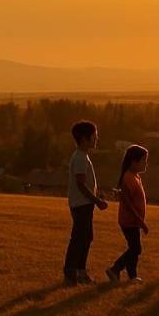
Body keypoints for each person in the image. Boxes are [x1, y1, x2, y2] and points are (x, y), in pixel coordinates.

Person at [63, 120, 108, 286]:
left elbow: (85, 183)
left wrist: (97, 194)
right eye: (94, 136)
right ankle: (71, 272)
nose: (97, 139)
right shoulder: (80, 158)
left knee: (86, 237)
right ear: (84, 138)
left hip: (84, 203)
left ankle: (80, 272)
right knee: (79, 239)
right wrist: (97, 201)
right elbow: (81, 184)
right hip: (81, 204)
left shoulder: (82, 156)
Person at [106, 144, 150, 283]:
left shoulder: (135, 176)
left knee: (134, 248)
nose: (146, 163)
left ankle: (132, 276)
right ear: (133, 162)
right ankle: (115, 269)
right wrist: (140, 221)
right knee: (136, 248)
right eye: (143, 160)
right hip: (129, 220)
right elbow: (128, 203)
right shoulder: (128, 178)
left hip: (133, 220)